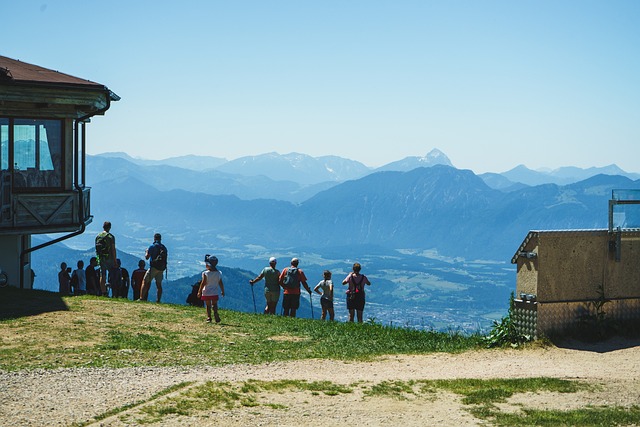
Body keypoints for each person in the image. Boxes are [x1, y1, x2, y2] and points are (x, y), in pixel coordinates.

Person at [197, 255, 225, 323]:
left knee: (208, 305)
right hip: (214, 292)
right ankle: (215, 313)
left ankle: (209, 317)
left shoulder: (205, 273)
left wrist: (199, 291)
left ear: (208, 265)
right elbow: (220, 283)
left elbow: (203, 283)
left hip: (206, 292)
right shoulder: (218, 273)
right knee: (214, 304)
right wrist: (222, 291)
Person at [140, 233, 168, 303]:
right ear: (160, 239)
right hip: (161, 268)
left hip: (153, 268)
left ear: (154, 238)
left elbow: (147, 257)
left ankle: (141, 298)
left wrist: (146, 252)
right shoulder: (163, 247)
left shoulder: (152, 246)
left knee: (145, 281)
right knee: (159, 285)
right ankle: (158, 300)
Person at [95, 221, 117, 296]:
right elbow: (113, 249)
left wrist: (98, 258)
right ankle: (114, 292)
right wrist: (115, 261)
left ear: (103, 227)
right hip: (109, 258)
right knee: (112, 274)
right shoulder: (110, 237)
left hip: (101, 258)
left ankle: (103, 292)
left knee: (102, 275)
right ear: (110, 227)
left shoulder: (98, 236)